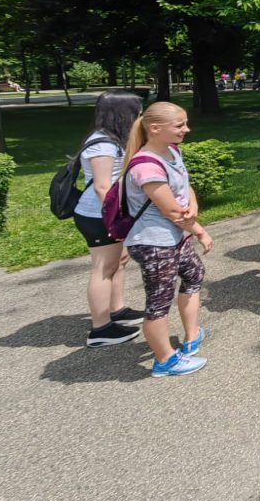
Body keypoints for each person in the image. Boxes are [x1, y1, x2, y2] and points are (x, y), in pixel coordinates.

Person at [121, 102, 213, 377]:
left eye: (185, 123)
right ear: (155, 128)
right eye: (180, 125)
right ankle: (165, 360)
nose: (186, 129)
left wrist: (194, 210)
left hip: (174, 236)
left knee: (194, 273)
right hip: (154, 242)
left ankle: (191, 335)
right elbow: (172, 209)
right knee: (159, 303)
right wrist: (198, 229)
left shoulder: (172, 151)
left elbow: (185, 187)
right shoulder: (145, 165)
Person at [74, 90, 146, 347]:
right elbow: (103, 187)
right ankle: (100, 328)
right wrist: (120, 218)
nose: (141, 116)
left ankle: (117, 310)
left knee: (120, 261)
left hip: (105, 213)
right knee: (102, 269)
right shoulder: (103, 144)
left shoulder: (112, 139)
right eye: (138, 112)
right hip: (98, 214)